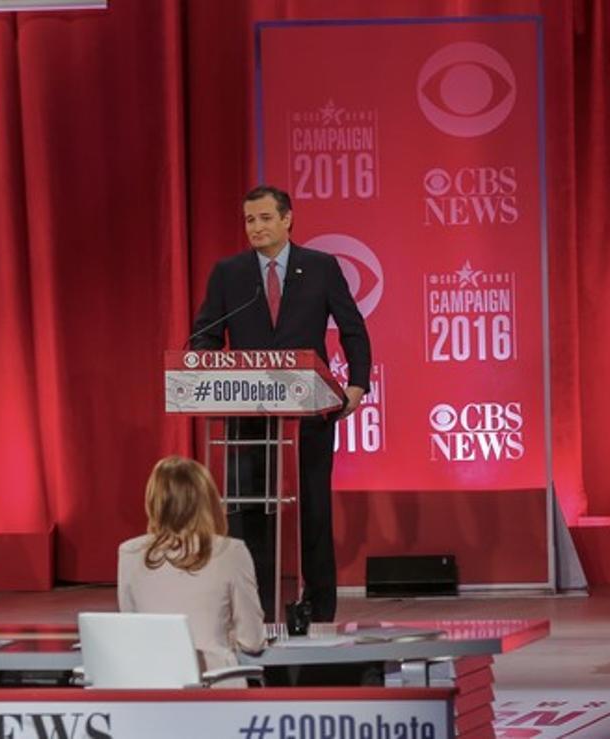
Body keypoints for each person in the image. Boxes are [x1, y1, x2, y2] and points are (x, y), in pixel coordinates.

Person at [190, 185, 372, 623]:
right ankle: (260, 606)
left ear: (288, 219)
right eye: (250, 220)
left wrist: (358, 385)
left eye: (265, 218)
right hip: (247, 416)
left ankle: (321, 608)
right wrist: (207, 366)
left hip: (309, 414)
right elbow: (205, 334)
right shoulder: (229, 274)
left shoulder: (322, 267)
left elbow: (352, 329)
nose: (256, 227)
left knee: (313, 507)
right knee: (251, 511)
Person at [118, 456, 266, 681]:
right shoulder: (231, 551)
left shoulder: (129, 552)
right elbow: (253, 641)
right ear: (207, 499)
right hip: (216, 688)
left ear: (154, 501)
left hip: (150, 688)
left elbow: (131, 634)